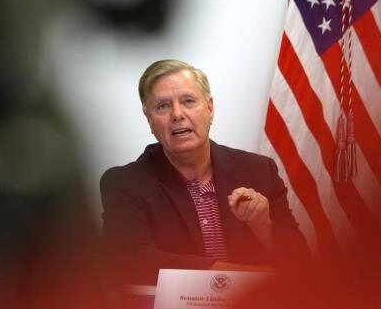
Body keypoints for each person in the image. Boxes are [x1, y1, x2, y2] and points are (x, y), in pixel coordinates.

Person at [100, 59, 310, 284]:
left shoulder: (259, 170)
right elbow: (131, 262)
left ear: (210, 109)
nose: (177, 114)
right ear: (149, 119)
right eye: (162, 106)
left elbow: (301, 264)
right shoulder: (126, 183)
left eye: (188, 101)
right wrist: (233, 277)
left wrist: (263, 226)